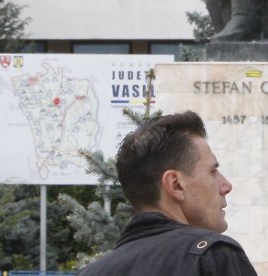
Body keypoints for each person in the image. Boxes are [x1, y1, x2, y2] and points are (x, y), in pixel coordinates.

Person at [78, 111, 258, 275]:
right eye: (212, 172)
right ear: (176, 185)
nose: (226, 186)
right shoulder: (211, 256)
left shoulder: (90, 272)